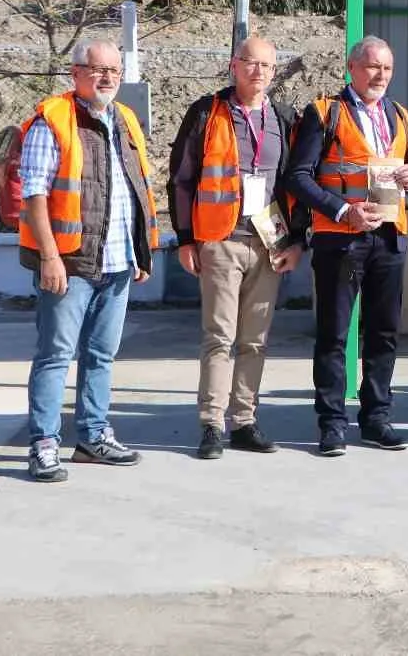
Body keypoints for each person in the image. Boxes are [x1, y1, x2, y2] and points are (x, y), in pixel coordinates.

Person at [20, 40, 159, 483]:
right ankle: (43, 443)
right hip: (71, 264)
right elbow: (34, 196)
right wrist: (50, 257)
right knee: (55, 355)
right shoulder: (54, 121)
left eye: (114, 70)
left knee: (101, 355)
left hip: (117, 262)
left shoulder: (125, 120)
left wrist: (139, 251)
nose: (107, 78)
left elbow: (137, 191)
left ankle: (92, 436)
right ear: (75, 72)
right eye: (97, 69)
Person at [168, 35, 305, 461]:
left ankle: (244, 421)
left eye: (267, 65)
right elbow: (182, 178)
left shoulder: (284, 117)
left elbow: (297, 181)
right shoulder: (208, 112)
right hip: (221, 239)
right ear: (234, 65)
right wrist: (186, 238)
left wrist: (297, 240)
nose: (259, 71)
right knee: (219, 337)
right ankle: (212, 424)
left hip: (269, 242)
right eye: (251, 63)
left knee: (255, 339)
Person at [285, 36, 408, 457]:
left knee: (384, 332)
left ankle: (377, 417)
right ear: (352, 67)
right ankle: (332, 423)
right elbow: (298, 177)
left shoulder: (400, 115)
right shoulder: (325, 112)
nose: (380, 75)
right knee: (334, 334)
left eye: (387, 69)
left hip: (388, 236)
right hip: (340, 239)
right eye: (372, 67)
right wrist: (343, 211)